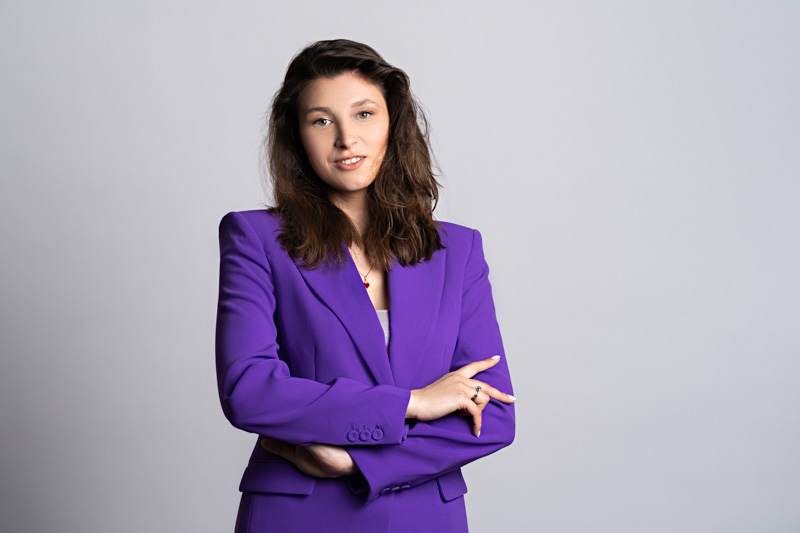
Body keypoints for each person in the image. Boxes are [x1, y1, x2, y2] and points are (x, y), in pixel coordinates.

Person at [215, 39, 515, 533]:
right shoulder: (256, 238)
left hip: (424, 515)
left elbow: (495, 416)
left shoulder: (458, 250)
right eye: (321, 121)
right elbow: (249, 391)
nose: (346, 139)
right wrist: (414, 403)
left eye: (364, 114)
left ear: (393, 124)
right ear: (297, 136)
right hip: (298, 514)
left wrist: (360, 463)